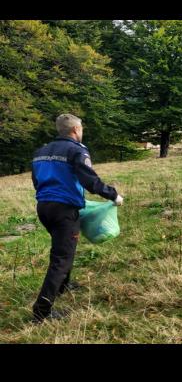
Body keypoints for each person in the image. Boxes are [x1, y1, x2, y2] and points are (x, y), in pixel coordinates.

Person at [31, 113, 123, 322]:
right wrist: (113, 195)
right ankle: (41, 312)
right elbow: (90, 180)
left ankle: (64, 285)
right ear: (75, 130)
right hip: (64, 210)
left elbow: (36, 180)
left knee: (64, 248)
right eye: (81, 129)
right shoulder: (76, 151)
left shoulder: (41, 152)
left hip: (44, 207)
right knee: (61, 259)